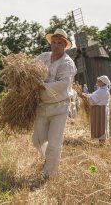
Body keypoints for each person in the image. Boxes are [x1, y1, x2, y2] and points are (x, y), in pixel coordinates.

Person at [32, 28, 77, 178]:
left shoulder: (68, 63)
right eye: (54, 42)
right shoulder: (44, 57)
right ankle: (49, 160)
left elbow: (64, 83)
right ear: (50, 43)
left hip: (59, 107)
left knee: (54, 143)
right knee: (37, 140)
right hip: (42, 105)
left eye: (59, 43)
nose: (56, 45)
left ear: (65, 45)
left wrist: (43, 85)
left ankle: (49, 174)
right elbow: (30, 68)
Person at [82, 76, 111, 145]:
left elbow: (93, 100)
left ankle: (102, 143)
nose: (97, 82)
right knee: (101, 125)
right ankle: (101, 142)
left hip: (100, 110)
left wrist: (85, 97)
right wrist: (87, 95)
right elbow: (93, 95)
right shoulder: (102, 89)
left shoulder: (102, 91)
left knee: (101, 125)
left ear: (103, 83)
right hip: (100, 109)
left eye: (98, 81)